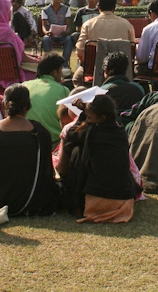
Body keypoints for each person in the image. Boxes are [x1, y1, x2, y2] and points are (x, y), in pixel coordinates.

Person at [0, 84, 59, 216]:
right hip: (32, 201)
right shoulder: (40, 132)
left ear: (4, 104)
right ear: (28, 106)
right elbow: (46, 171)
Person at [57, 94, 140, 222]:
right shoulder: (120, 132)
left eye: (90, 117)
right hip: (124, 200)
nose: (88, 121)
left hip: (96, 201)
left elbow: (71, 135)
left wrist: (82, 115)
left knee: (77, 152)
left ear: (102, 117)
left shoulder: (90, 133)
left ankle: (77, 204)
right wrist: (87, 111)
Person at [0, 0, 40, 83]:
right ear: (2, 11)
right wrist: (40, 61)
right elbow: (22, 58)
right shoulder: (8, 33)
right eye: (8, 9)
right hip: (13, 76)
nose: (10, 11)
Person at [23, 54, 69, 146]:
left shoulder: (24, 85)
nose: (61, 74)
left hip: (25, 139)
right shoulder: (63, 90)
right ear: (54, 72)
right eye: (60, 70)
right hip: (52, 141)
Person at [40, 0, 73, 64]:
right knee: (45, 39)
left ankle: (64, 64)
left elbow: (68, 25)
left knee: (69, 39)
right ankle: (49, 63)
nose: (58, 1)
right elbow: (43, 26)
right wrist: (47, 32)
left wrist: (67, 32)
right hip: (51, 35)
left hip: (62, 35)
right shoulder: (45, 10)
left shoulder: (66, 9)